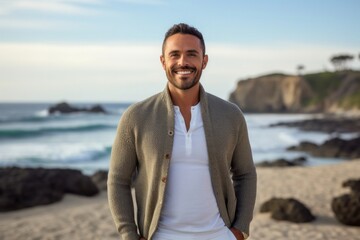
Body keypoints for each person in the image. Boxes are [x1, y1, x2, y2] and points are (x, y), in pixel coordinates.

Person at [108, 23, 257, 240]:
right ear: (163, 61)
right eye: (174, 55)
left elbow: (245, 174)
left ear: (204, 61)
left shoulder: (231, 115)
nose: (183, 62)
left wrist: (239, 231)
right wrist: (129, 234)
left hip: (218, 235)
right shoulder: (136, 116)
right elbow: (118, 180)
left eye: (191, 54)